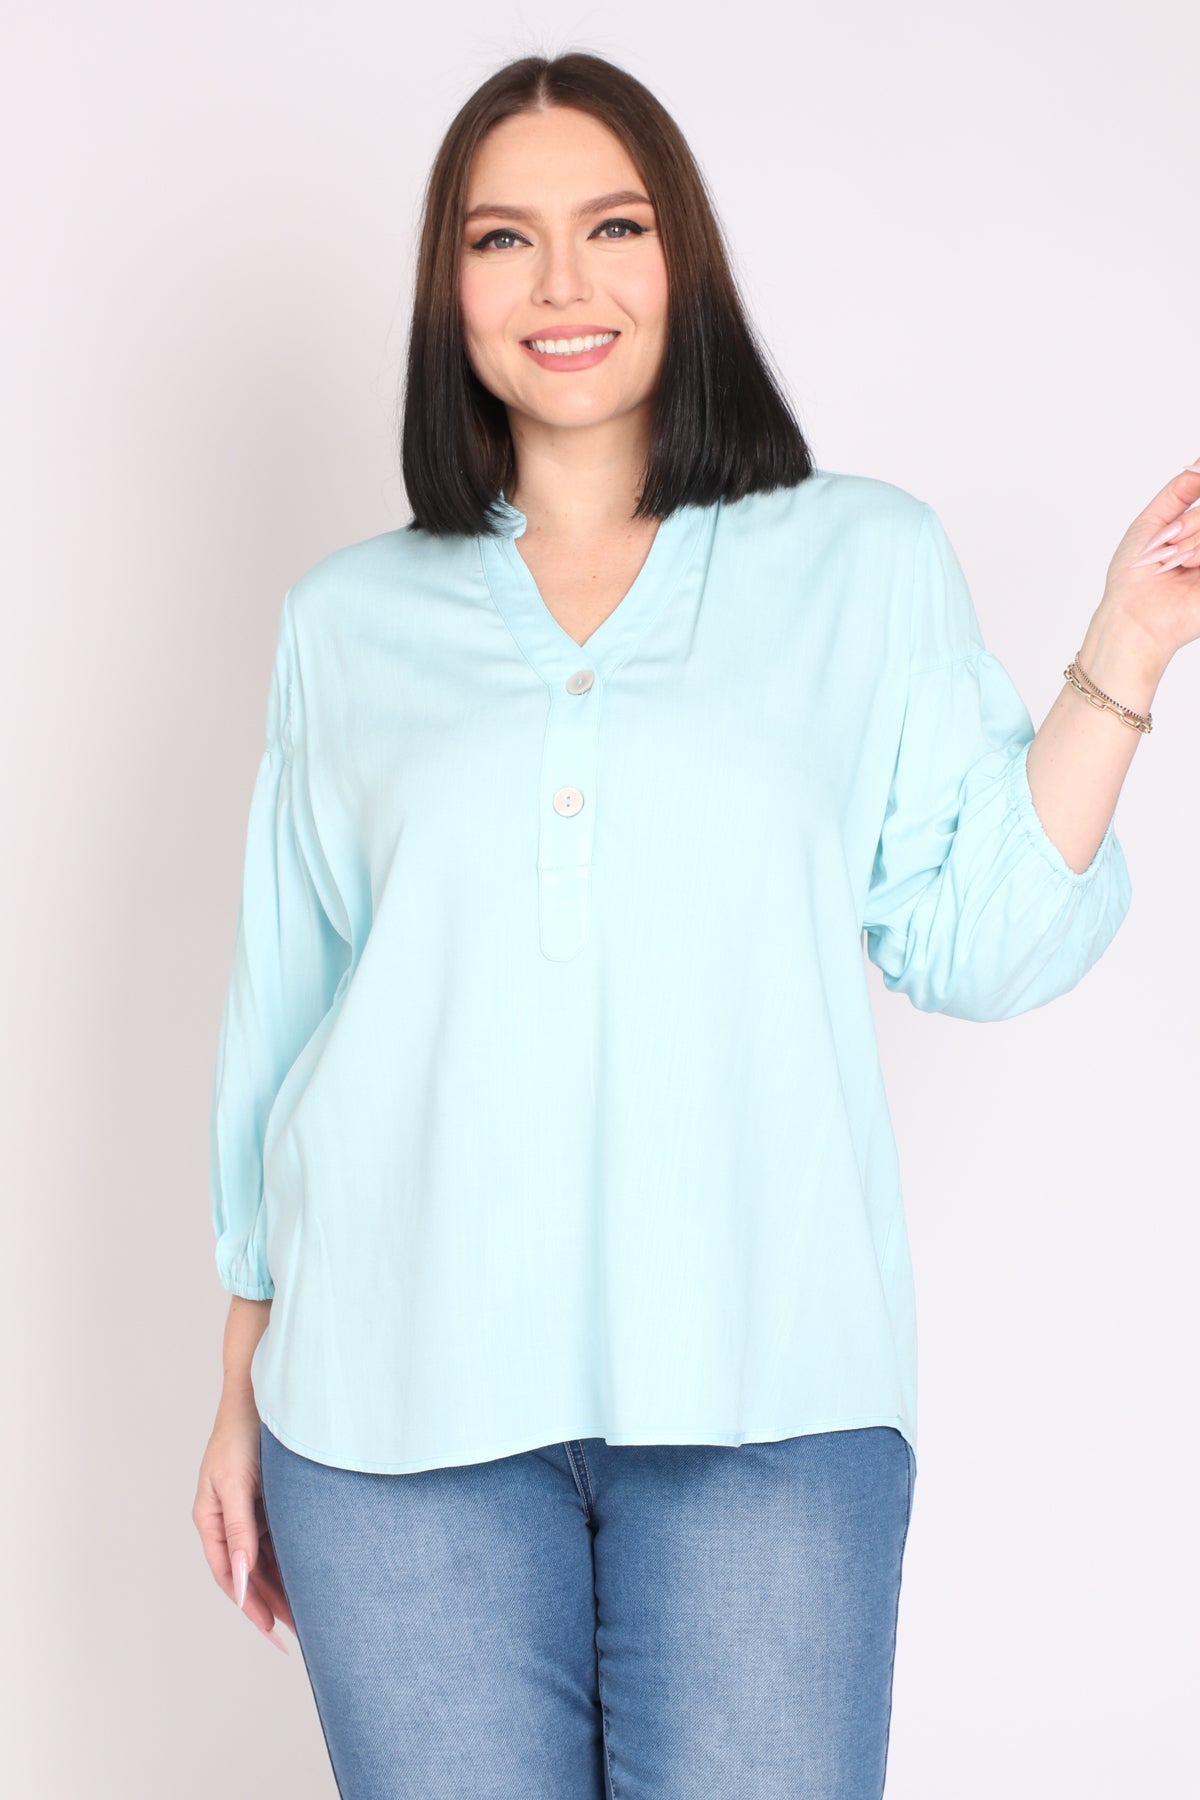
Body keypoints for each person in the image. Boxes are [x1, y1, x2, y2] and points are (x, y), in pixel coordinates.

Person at [192, 48, 1198, 1800]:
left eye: (613, 226)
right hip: (387, 1416)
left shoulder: (861, 559)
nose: (559, 282)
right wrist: (236, 1389)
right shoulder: (345, 621)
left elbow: (979, 936)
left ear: (685, 259)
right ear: (449, 287)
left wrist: (1125, 648)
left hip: (768, 1407)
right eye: (501, 238)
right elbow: (285, 1023)